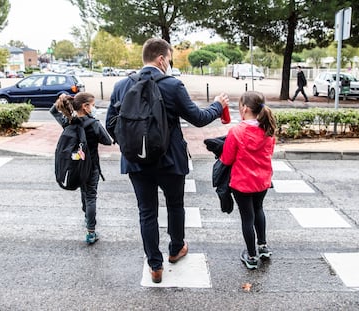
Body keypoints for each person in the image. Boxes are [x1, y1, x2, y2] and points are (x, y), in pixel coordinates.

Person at [105, 38, 229, 283]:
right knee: (175, 205)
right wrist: (217, 105)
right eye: (169, 59)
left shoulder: (121, 85)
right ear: (161, 59)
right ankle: (175, 249)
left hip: (136, 163)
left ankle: (155, 265)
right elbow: (198, 118)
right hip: (170, 160)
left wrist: (131, 146)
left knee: (146, 212)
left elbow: (111, 123)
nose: (169, 63)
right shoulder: (173, 85)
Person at [220, 91, 276, 270]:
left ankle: (251, 256)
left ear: (244, 109)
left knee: (247, 217)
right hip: (262, 181)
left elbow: (227, 159)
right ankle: (263, 246)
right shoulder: (268, 129)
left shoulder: (237, 131)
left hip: (242, 182)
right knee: (259, 209)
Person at [50, 92, 112, 245]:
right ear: (85, 107)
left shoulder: (69, 121)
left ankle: (87, 217)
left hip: (76, 166)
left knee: (84, 192)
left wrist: (62, 98)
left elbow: (53, 111)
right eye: (93, 105)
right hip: (91, 167)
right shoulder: (93, 123)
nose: (94, 107)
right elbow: (107, 141)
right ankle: (91, 231)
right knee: (91, 196)